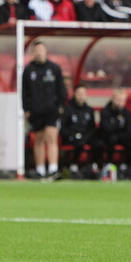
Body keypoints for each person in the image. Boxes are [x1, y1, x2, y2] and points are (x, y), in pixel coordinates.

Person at [22, 41, 67, 179]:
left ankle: (53, 168)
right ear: (33, 52)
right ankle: (40, 170)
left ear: (46, 52)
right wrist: (26, 109)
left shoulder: (54, 68)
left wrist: (60, 106)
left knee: (51, 136)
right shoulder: (28, 70)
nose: (39, 52)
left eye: (41, 50)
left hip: (51, 109)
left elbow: (61, 90)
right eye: (36, 50)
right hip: (36, 110)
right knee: (38, 139)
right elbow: (24, 92)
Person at [60, 85, 98, 178]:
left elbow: (92, 128)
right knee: (79, 143)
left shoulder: (89, 110)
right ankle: (74, 165)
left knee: (98, 143)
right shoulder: (68, 109)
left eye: (83, 94)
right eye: (79, 94)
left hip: (86, 137)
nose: (81, 96)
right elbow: (63, 127)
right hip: (72, 137)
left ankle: (94, 165)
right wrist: (71, 135)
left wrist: (86, 136)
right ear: (75, 94)